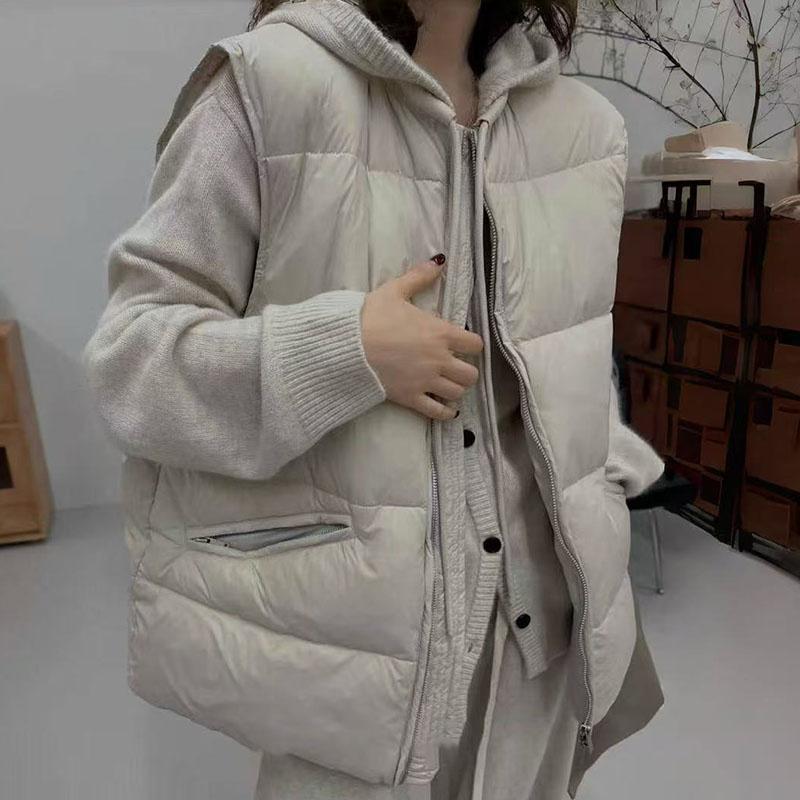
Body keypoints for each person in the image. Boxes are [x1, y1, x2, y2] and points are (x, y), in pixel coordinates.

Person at [82, 1, 667, 798]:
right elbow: (130, 366)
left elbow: (570, 348)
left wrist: (601, 473)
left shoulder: (584, 126)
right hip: (353, 652)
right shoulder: (270, 85)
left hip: (542, 651)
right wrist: (347, 350)